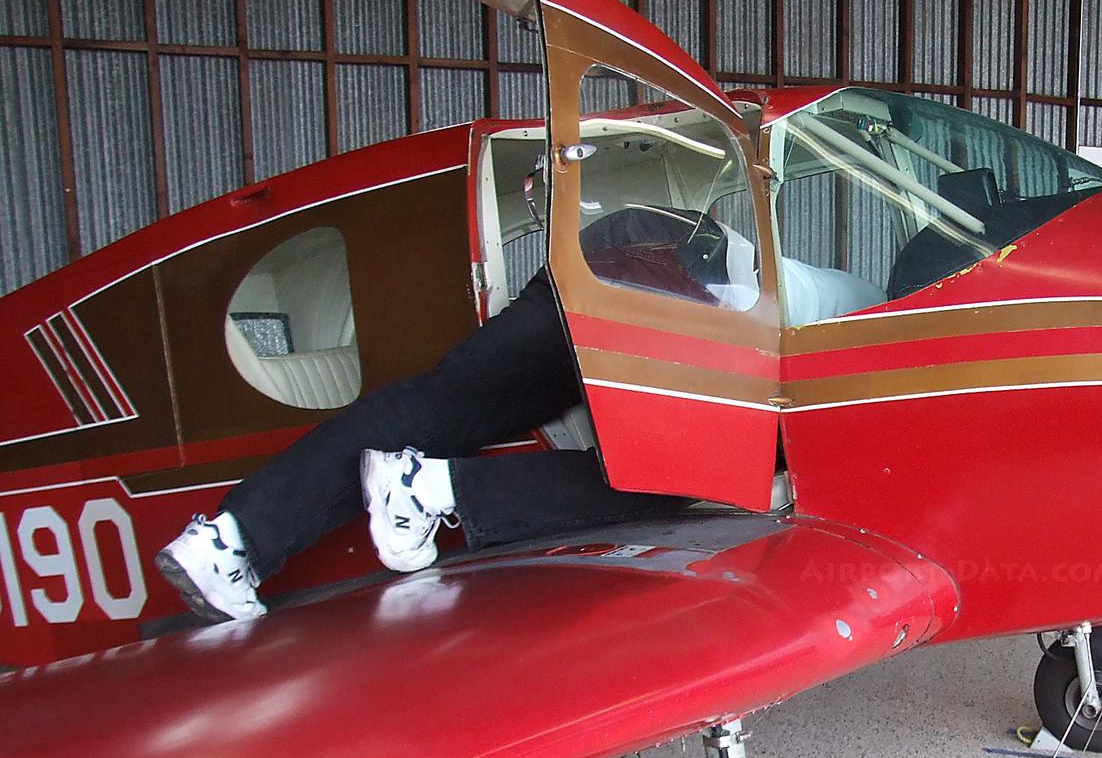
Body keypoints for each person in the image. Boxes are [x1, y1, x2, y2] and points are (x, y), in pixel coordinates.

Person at [155, 204, 878, 623]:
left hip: (610, 256)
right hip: (689, 294)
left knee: (439, 403)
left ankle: (227, 540)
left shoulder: (848, 289)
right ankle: (429, 490)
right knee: (703, 475)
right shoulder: (873, 337)